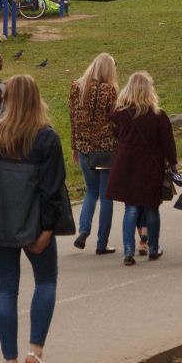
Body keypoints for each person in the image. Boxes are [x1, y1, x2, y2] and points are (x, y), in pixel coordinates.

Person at [0, 74, 71, 363]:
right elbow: (54, 188)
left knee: (6, 288)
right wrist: (48, 230)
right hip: (35, 222)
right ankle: (35, 352)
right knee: (46, 281)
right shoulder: (46, 137)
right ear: (37, 98)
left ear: (6, 99)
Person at [108, 71, 177, 265]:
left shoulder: (122, 114)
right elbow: (167, 143)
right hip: (150, 166)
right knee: (151, 208)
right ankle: (153, 248)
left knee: (131, 208)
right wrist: (173, 163)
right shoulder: (158, 115)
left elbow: (113, 126)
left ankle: (128, 251)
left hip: (126, 166)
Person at [68, 52, 119, 253]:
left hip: (83, 148)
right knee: (106, 195)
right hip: (104, 151)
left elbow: (73, 118)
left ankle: (83, 230)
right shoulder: (110, 90)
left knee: (91, 191)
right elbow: (115, 121)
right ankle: (102, 243)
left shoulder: (76, 87)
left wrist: (74, 146)